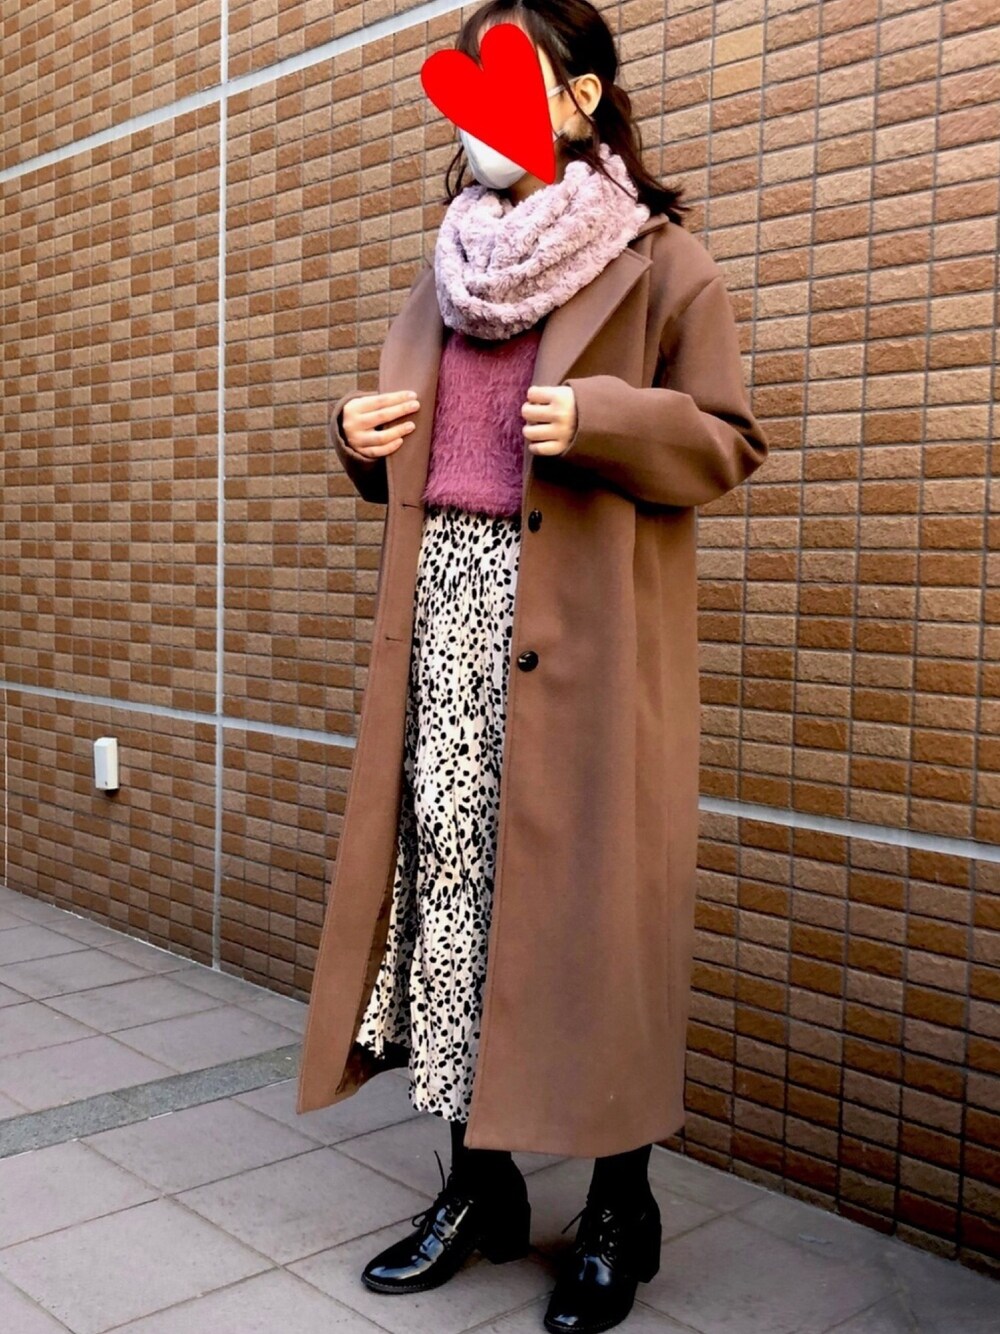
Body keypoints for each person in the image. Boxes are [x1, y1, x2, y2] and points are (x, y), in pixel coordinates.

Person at [297, 2, 769, 1330]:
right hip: (449, 613)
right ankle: (479, 1184)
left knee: (597, 915)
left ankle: (622, 1203)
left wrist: (607, 419)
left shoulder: (663, 263)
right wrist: (354, 436)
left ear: (582, 97)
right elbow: (424, 444)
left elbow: (729, 437)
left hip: (590, 635)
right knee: (454, 897)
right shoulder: (451, 266)